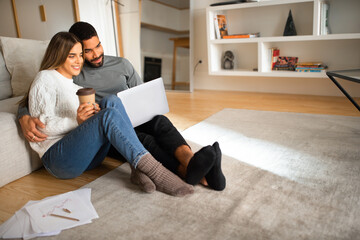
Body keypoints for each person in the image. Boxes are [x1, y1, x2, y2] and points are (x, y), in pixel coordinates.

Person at [18, 22, 226, 191]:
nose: (92, 55)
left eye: (96, 47)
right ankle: (188, 172)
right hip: (104, 128)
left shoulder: (120, 64)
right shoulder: (73, 75)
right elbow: (34, 100)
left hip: (127, 116)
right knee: (142, 139)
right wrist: (23, 115)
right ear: (65, 53)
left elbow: (142, 93)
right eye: (84, 52)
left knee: (159, 121)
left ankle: (191, 161)